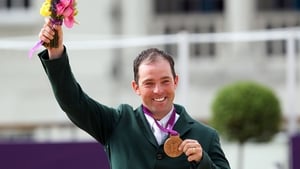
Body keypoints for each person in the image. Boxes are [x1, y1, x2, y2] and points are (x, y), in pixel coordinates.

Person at [38, 20, 231, 169]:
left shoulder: (205, 136)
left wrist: (202, 161)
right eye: (149, 83)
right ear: (136, 87)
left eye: (165, 81)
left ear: (176, 82)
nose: (158, 90)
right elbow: (73, 102)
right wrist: (56, 53)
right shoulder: (116, 124)